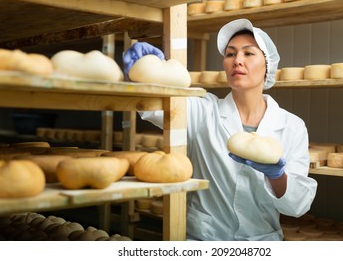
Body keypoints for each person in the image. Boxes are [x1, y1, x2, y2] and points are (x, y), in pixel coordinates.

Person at [123, 18, 318, 241]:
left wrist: (277, 176)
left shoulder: (292, 126)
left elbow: (297, 205)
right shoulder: (203, 109)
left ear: (268, 65)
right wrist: (142, 74)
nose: (237, 61)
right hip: (204, 239)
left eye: (248, 53)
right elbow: (155, 106)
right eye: (230, 54)